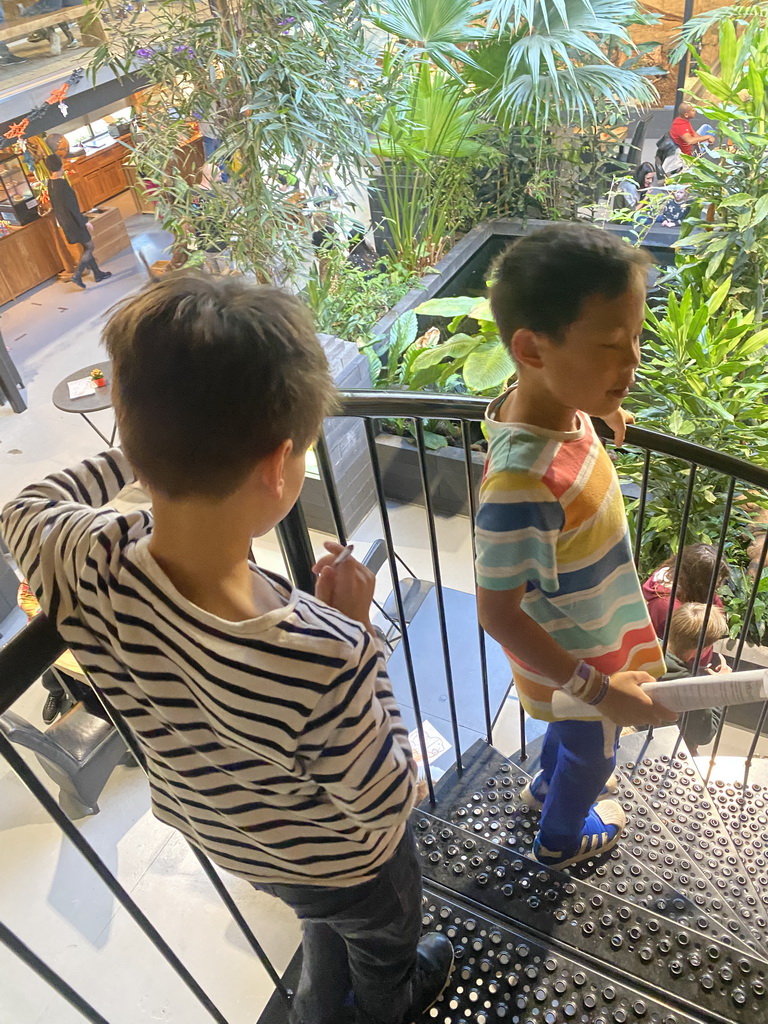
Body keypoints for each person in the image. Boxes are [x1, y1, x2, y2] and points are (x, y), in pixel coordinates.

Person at [0, 274, 453, 1024]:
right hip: (351, 866)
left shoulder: (85, 560)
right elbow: (387, 800)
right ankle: (390, 1004)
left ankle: (318, 1011)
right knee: (382, 941)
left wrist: (139, 452)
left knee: (316, 927)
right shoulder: (324, 652)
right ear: (279, 467)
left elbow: (23, 507)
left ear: (134, 431)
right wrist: (364, 638)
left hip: (235, 842)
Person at [475, 224, 677, 870]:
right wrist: (600, 693)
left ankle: (544, 784)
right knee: (595, 753)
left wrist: (598, 413)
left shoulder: (554, 403)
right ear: (532, 349)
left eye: (637, 339)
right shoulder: (522, 482)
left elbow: (553, 415)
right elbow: (496, 611)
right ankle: (560, 836)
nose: (634, 362)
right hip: (579, 662)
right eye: (613, 347)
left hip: (585, 639)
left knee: (573, 740)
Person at [663, 603, 730, 755]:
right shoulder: (687, 687)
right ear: (701, 649)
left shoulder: (647, 652)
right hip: (669, 750)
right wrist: (720, 689)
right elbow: (704, 735)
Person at [642, 543, 729, 654]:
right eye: (714, 583)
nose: (719, 585)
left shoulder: (676, 576)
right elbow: (685, 650)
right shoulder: (669, 605)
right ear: (699, 581)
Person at [43, 153, 112, 290]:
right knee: (90, 246)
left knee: (85, 247)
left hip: (64, 222)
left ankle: (97, 274)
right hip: (74, 221)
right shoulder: (62, 184)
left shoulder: (50, 183)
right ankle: (77, 275)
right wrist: (84, 221)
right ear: (60, 165)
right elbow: (72, 207)